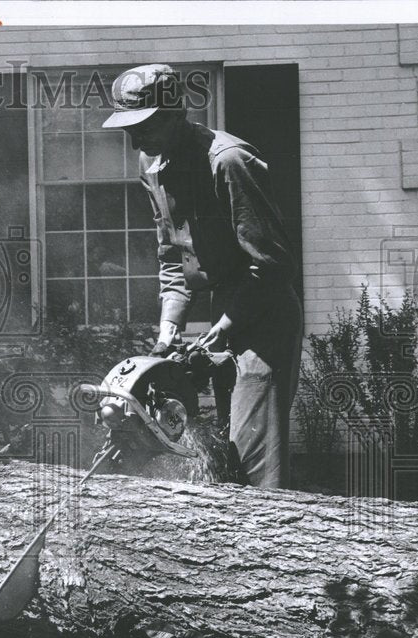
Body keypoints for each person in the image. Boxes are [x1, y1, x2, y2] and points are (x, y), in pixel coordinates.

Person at [102, 64, 303, 488]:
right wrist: (167, 333)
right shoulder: (152, 164)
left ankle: (266, 532)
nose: (137, 140)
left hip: (263, 308)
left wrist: (227, 327)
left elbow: (272, 263)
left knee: (252, 450)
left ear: (176, 113)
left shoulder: (229, 161)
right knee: (223, 443)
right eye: (129, 130)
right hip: (223, 306)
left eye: (145, 127)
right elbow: (172, 257)